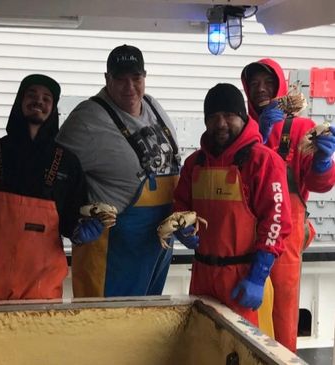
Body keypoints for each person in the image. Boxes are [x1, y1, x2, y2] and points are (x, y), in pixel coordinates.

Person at [56, 44, 181, 297]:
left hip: (156, 248)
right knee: (104, 329)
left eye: (136, 78)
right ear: (106, 79)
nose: (130, 87)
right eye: (120, 79)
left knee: (143, 327)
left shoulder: (154, 107)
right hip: (112, 251)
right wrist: (73, 220)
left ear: (145, 77)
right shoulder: (87, 118)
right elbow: (52, 174)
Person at [0, 74, 103, 301]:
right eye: (31, 95)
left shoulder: (68, 163)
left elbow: (73, 216)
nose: (38, 101)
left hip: (43, 284)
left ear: (53, 108)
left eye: (46, 98)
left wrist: (80, 230)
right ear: (19, 102)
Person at [173, 83, 291, 329]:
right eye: (213, 117)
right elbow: (180, 205)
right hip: (202, 278)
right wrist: (180, 226)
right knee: (203, 347)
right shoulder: (195, 163)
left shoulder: (263, 161)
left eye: (228, 115)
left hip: (243, 281)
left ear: (243, 117)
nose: (221, 124)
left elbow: (276, 222)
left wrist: (258, 276)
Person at [241, 58, 335, 352]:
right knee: (245, 312)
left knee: (283, 309)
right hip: (245, 231)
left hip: (288, 234)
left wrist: (323, 162)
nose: (261, 89)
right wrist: (259, 135)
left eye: (268, 83)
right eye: (254, 83)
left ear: (280, 86)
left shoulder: (303, 128)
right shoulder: (239, 126)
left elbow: (319, 184)